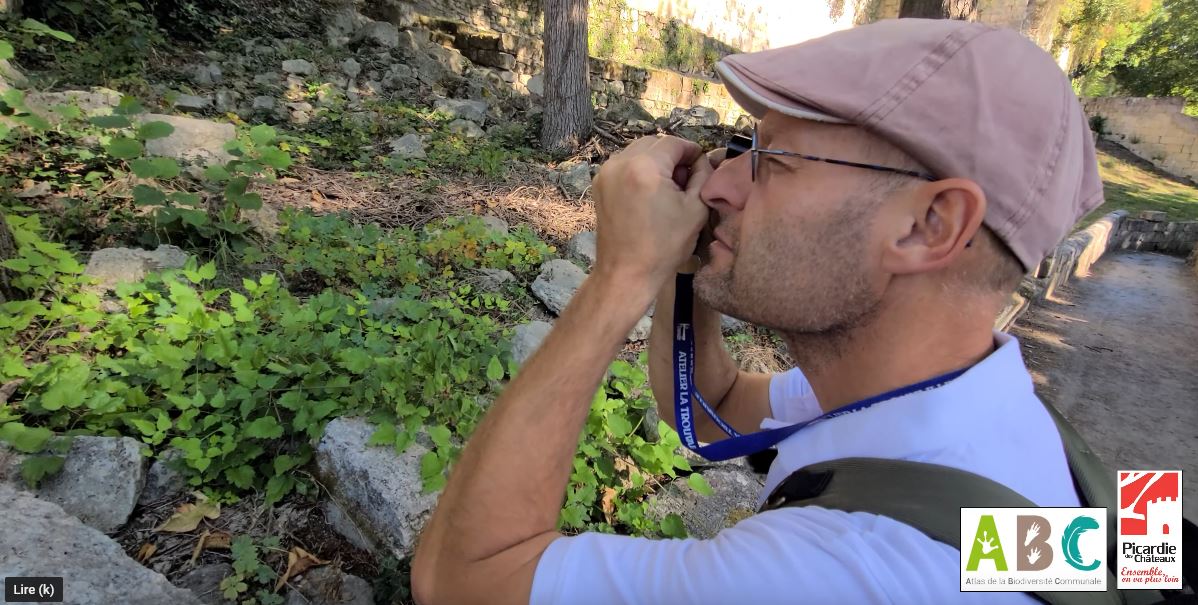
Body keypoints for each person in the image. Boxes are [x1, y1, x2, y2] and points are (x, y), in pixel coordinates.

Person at [411, 17, 1103, 605]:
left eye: (773, 160)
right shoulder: (987, 416)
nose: (722, 184)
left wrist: (619, 274)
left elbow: (457, 576)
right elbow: (718, 406)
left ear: (929, 226)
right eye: (742, 146)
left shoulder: (841, 571)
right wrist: (678, 266)